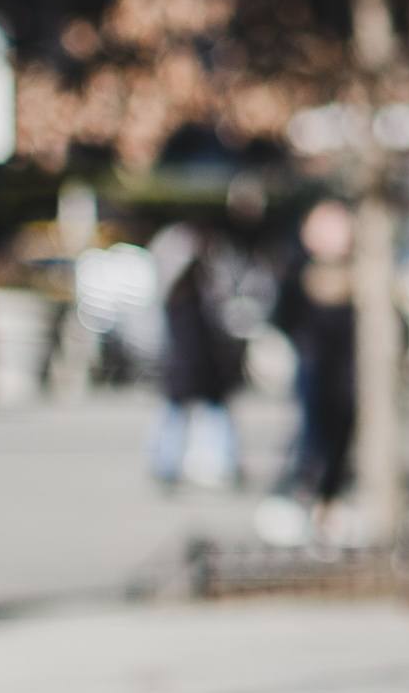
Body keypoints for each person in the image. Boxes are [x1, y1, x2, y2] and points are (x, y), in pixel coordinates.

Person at [260, 200, 358, 543]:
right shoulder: (298, 266)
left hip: (350, 373)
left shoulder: (363, 268)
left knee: (342, 441)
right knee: (309, 436)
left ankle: (328, 503)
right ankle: (294, 497)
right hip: (315, 367)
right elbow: (283, 315)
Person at [146, 220, 245, 489]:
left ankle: (171, 463)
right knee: (199, 412)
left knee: (180, 413)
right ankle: (214, 463)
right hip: (194, 366)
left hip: (187, 366)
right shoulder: (190, 295)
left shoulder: (183, 294)